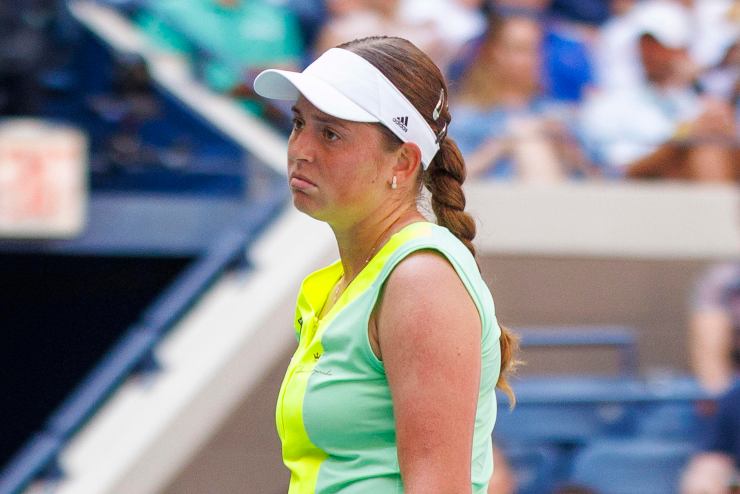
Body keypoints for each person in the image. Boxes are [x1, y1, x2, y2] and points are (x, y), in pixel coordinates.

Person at [252, 36, 517, 493]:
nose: (301, 149)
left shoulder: (420, 278)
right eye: (298, 123)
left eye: (330, 133)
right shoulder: (338, 285)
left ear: (403, 162)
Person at [580, 0, 738, 182]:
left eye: (661, 46)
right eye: (645, 44)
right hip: (636, 193)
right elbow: (619, 172)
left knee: (714, 145)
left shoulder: (695, 102)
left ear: (683, 50)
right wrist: (686, 139)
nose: (651, 53)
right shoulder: (607, 106)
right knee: (707, 149)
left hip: (689, 186)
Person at [448, 12, 592, 180]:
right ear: (495, 53)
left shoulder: (556, 112)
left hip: (560, 189)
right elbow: (451, 179)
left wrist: (567, 148)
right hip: (492, 193)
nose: (529, 59)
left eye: (535, 50)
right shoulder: (468, 116)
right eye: (520, 49)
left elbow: (599, 179)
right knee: (530, 145)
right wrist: (503, 143)